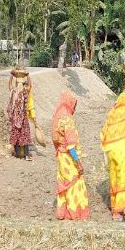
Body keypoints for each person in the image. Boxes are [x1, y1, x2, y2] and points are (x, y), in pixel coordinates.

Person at [52, 92, 90, 221]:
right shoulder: (67, 119)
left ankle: (62, 212)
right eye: (74, 105)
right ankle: (74, 213)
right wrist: (78, 163)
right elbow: (71, 146)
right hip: (68, 158)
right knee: (75, 184)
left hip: (61, 158)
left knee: (64, 183)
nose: (74, 108)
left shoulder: (58, 116)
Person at [100, 83, 125, 220]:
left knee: (113, 178)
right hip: (121, 151)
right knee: (122, 178)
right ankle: (120, 211)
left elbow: (118, 102)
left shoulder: (112, 113)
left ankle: (114, 207)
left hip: (111, 152)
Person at [8, 67, 35, 161]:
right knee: (22, 134)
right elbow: (30, 86)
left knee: (20, 134)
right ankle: (22, 154)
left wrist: (12, 76)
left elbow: (9, 85)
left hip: (19, 118)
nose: (20, 86)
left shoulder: (16, 92)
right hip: (20, 118)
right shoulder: (20, 92)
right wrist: (27, 76)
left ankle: (20, 154)